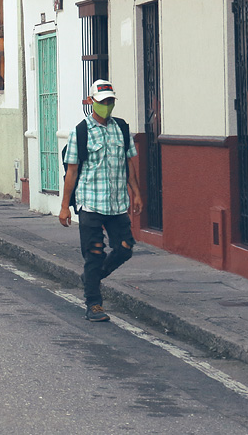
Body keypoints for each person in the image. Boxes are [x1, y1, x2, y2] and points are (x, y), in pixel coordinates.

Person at [59, 79, 143, 323]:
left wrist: (136, 192)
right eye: (103, 101)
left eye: (110, 101)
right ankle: (94, 304)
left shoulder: (122, 129)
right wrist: (65, 207)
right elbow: (71, 172)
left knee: (125, 247)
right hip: (91, 203)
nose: (107, 106)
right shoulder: (81, 132)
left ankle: (92, 278)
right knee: (94, 254)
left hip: (116, 204)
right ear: (91, 102)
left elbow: (129, 164)